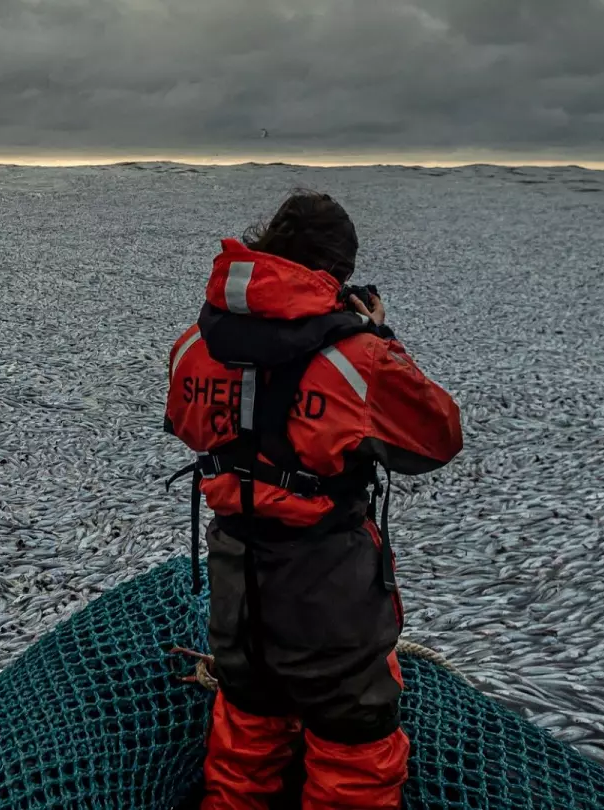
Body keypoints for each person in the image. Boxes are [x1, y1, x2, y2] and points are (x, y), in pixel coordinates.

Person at [163, 190, 463, 809]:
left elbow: (188, 422)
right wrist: (382, 338)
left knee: (245, 737)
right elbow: (438, 438)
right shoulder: (359, 359)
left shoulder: (194, 345)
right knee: (354, 759)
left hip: (235, 589)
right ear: (336, 275)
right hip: (328, 599)